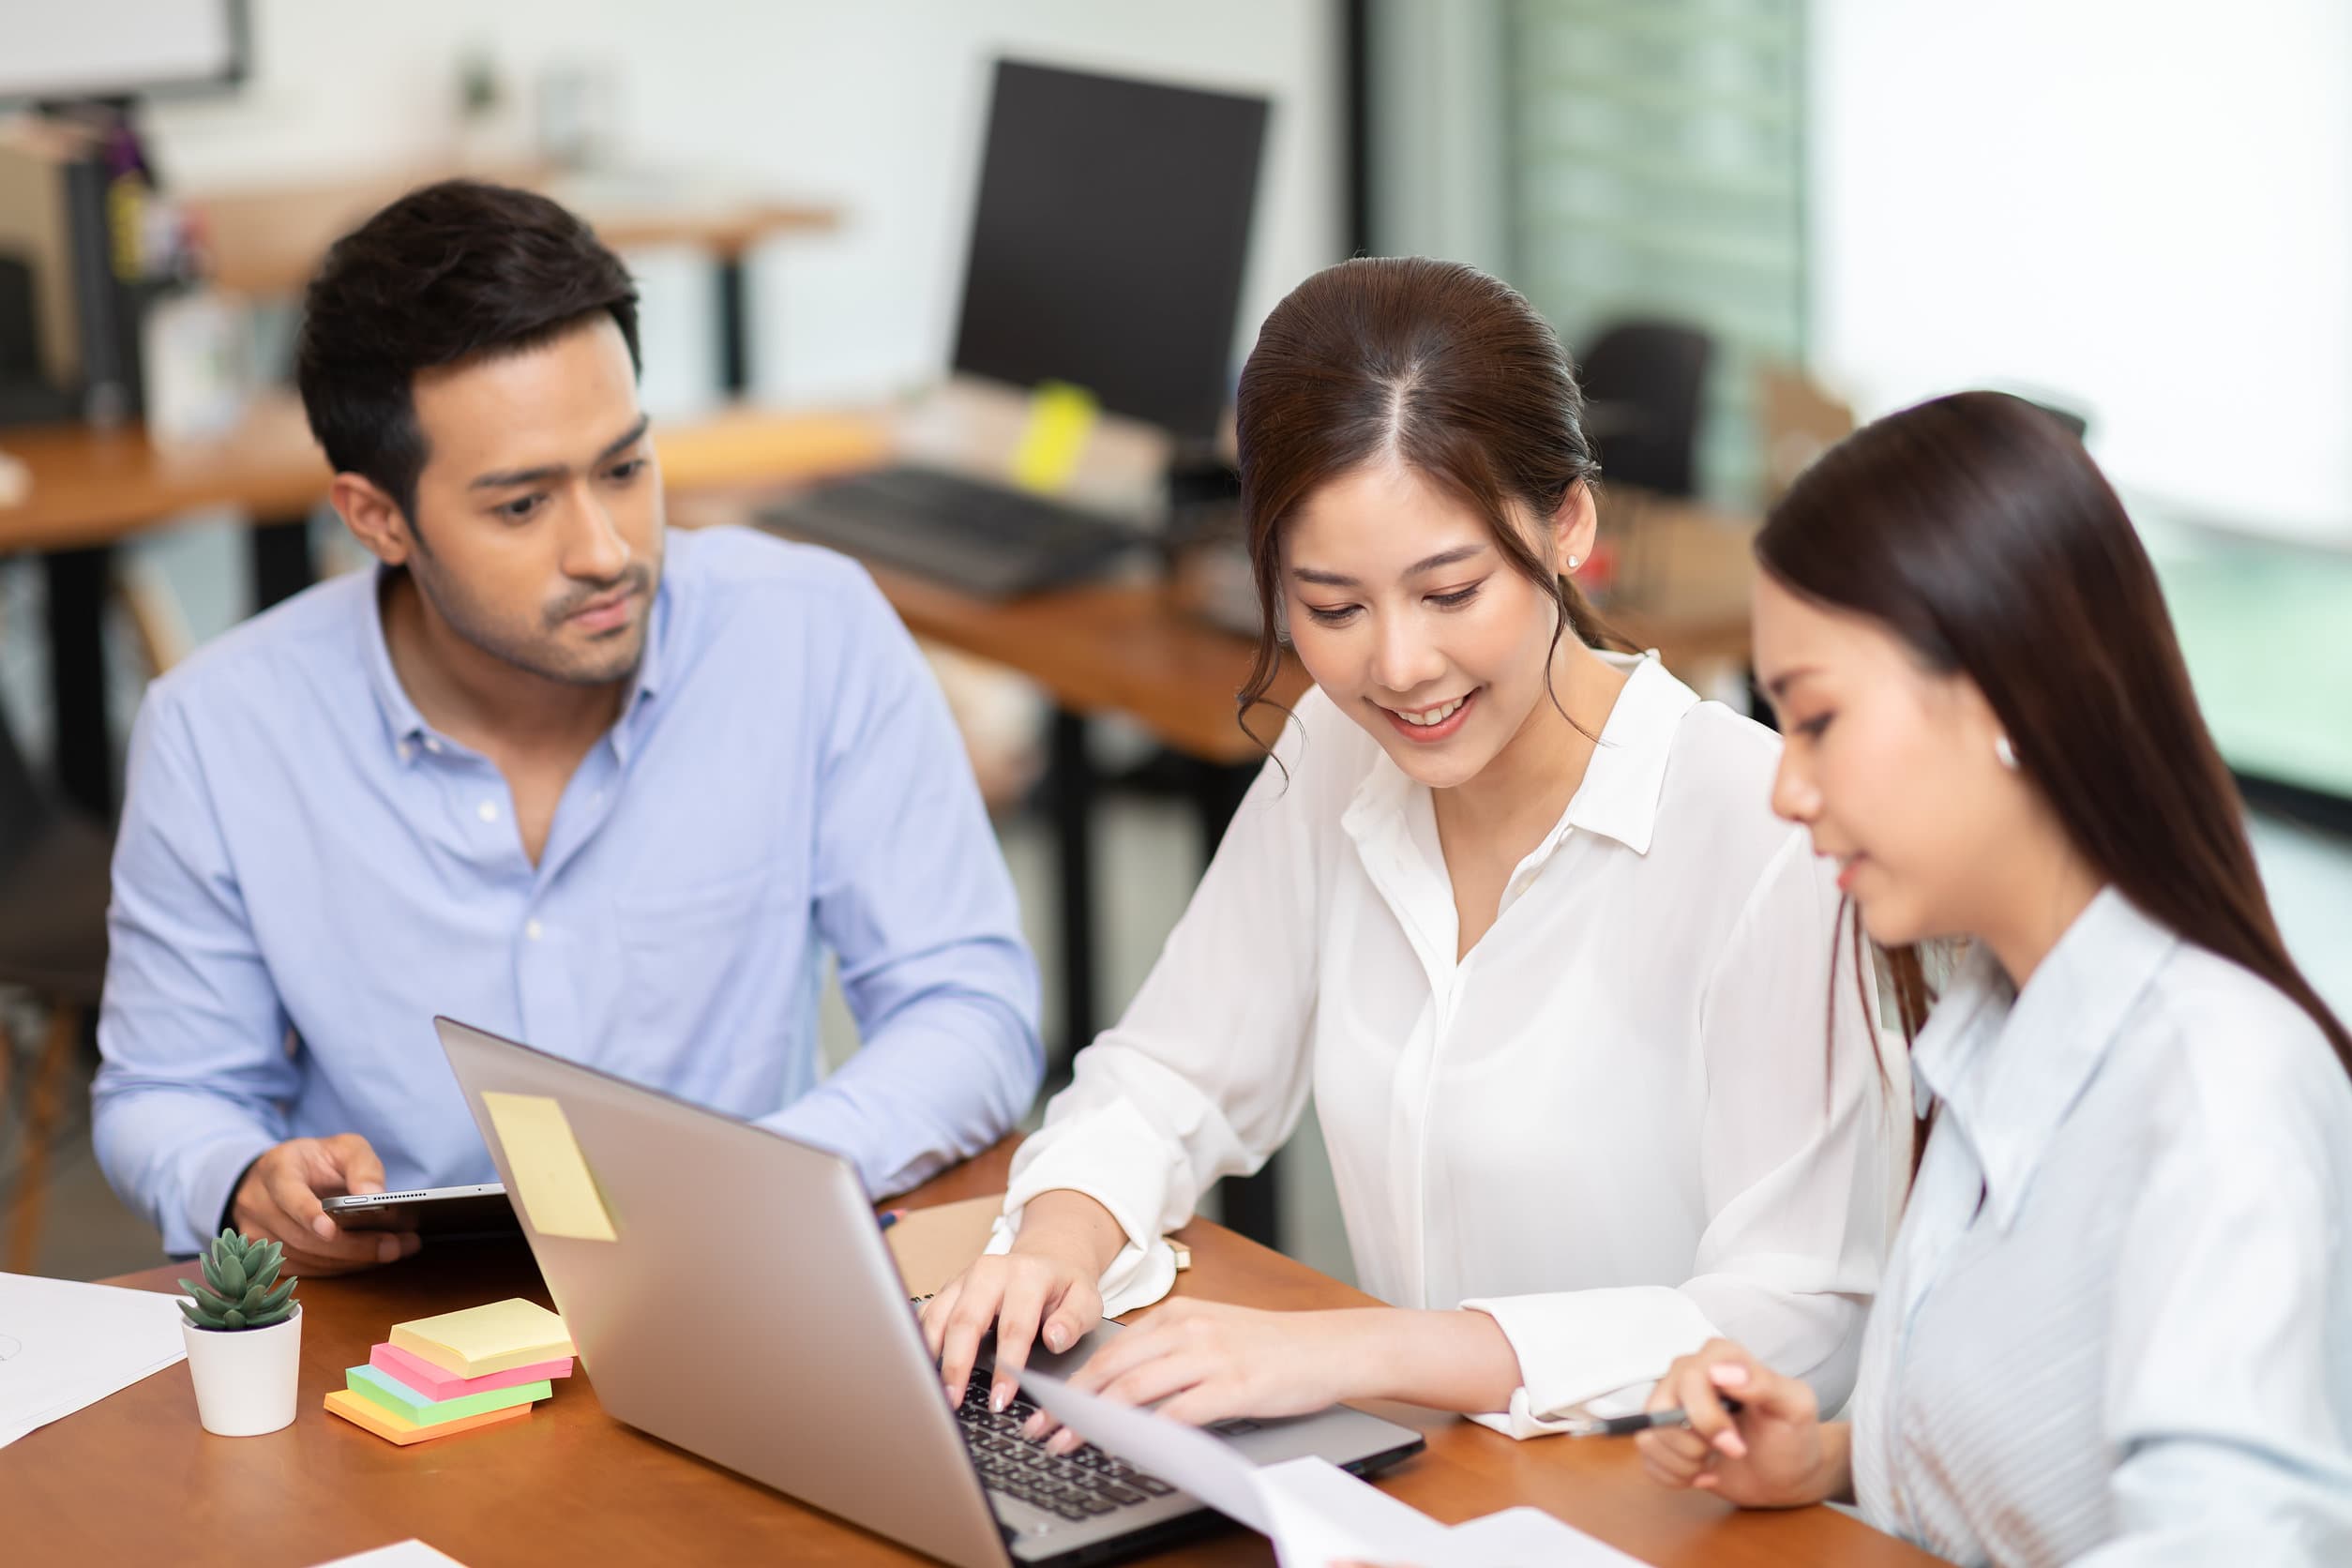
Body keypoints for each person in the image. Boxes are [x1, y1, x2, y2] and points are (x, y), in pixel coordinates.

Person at [925, 256, 1901, 1439]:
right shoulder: (1339, 746)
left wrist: (1370, 1347)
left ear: (1569, 526)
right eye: (1331, 608)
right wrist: (1058, 1235)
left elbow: (1797, 1314)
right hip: (1439, 1489)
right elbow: (1172, 1072)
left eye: (1450, 592)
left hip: (1662, 1508)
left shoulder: (1758, 827)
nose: (1397, 668)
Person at [92, 180, 1042, 1271]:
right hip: (398, 1328)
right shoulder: (219, 732)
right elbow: (169, 1090)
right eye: (521, 505)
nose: (605, 549)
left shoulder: (811, 634)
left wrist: (766, 1176)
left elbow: (967, 1010)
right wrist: (239, 1177)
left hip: (735, 1283)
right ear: (376, 517)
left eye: (625, 468)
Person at [1638, 392, 2352, 1561]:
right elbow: (2046, 1446)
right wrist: (1823, 1455)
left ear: (2010, 694)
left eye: (1816, 719)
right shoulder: (1997, 1011)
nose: (1786, 787)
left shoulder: (2218, 1094)